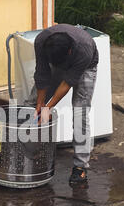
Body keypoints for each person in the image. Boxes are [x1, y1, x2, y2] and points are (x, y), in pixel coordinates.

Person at [26, 23, 99, 184]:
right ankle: (28, 154)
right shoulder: (41, 41)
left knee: (80, 114)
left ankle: (80, 167)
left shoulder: (83, 49)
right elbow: (42, 73)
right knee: (30, 104)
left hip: (86, 66)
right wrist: (40, 104)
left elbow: (66, 84)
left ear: (69, 51)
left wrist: (48, 107)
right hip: (58, 61)